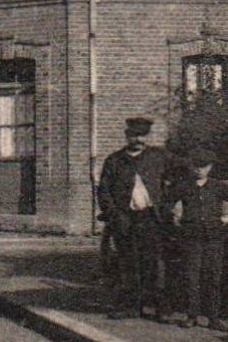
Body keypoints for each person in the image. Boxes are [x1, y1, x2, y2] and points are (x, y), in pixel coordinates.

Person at [96, 116, 173, 320]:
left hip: (152, 218)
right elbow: (104, 191)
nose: (138, 139)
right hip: (125, 218)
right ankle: (131, 306)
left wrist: (167, 206)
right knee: (128, 263)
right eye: (134, 135)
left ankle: (160, 308)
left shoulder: (159, 157)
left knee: (155, 263)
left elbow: (176, 179)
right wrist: (114, 215)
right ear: (127, 136)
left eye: (142, 135)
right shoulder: (114, 160)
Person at [171, 148, 228, 330]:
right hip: (191, 237)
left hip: (214, 237)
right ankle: (192, 315)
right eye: (196, 166)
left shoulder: (218, 186)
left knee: (213, 276)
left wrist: (226, 218)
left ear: (210, 167)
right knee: (191, 276)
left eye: (203, 167)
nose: (199, 170)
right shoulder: (184, 186)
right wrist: (176, 216)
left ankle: (213, 317)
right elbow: (167, 203)